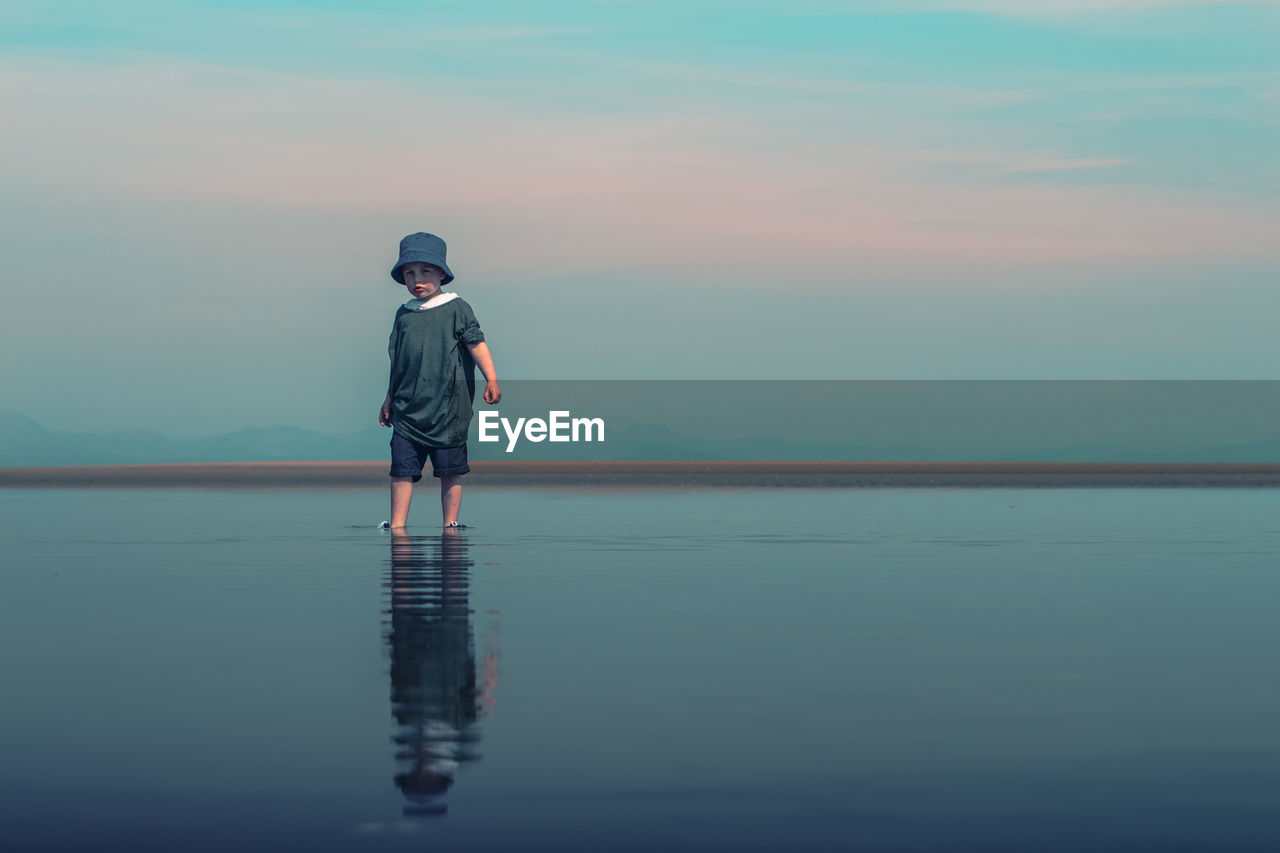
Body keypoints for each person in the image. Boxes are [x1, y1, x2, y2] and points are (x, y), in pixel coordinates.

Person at [378, 232, 500, 529]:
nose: (417, 279)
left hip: (448, 411)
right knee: (401, 471)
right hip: (408, 410)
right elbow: (399, 361)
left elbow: (476, 344)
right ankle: (397, 526)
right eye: (409, 273)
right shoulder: (404, 315)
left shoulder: (456, 308)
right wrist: (389, 397)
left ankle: (451, 523)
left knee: (450, 470)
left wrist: (491, 379)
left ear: (442, 273)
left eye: (425, 271)